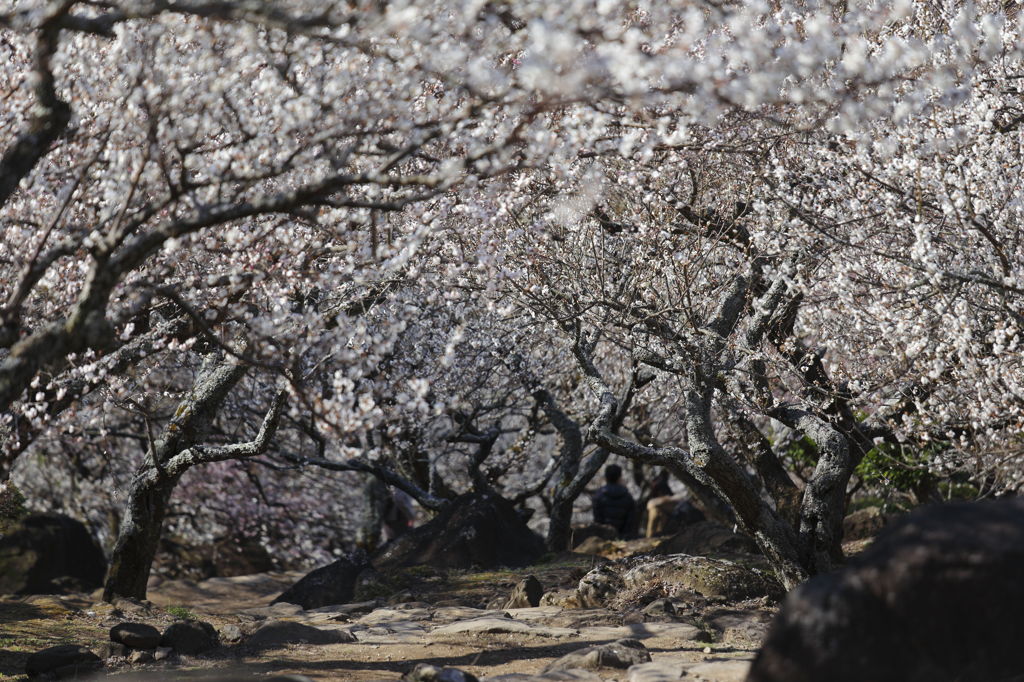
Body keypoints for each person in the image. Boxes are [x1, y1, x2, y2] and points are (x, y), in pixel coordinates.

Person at [592, 464, 636, 538]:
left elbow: (597, 518)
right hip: (623, 537)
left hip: (602, 536)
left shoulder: (599, 495)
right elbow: (630, 520)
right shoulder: (627, 496)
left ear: (606, 477)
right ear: (619, 477)